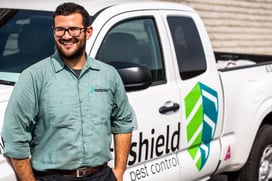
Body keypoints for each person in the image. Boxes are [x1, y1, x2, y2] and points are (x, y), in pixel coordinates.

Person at [1, 2, 133, 181]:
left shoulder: (108, 75)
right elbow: (14, 138)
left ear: (88, 32)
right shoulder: (33, 77)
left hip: (101, 175)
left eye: (73, 29)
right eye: (60, 30)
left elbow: (123, 122)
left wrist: (118, 172)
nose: (66, 36)